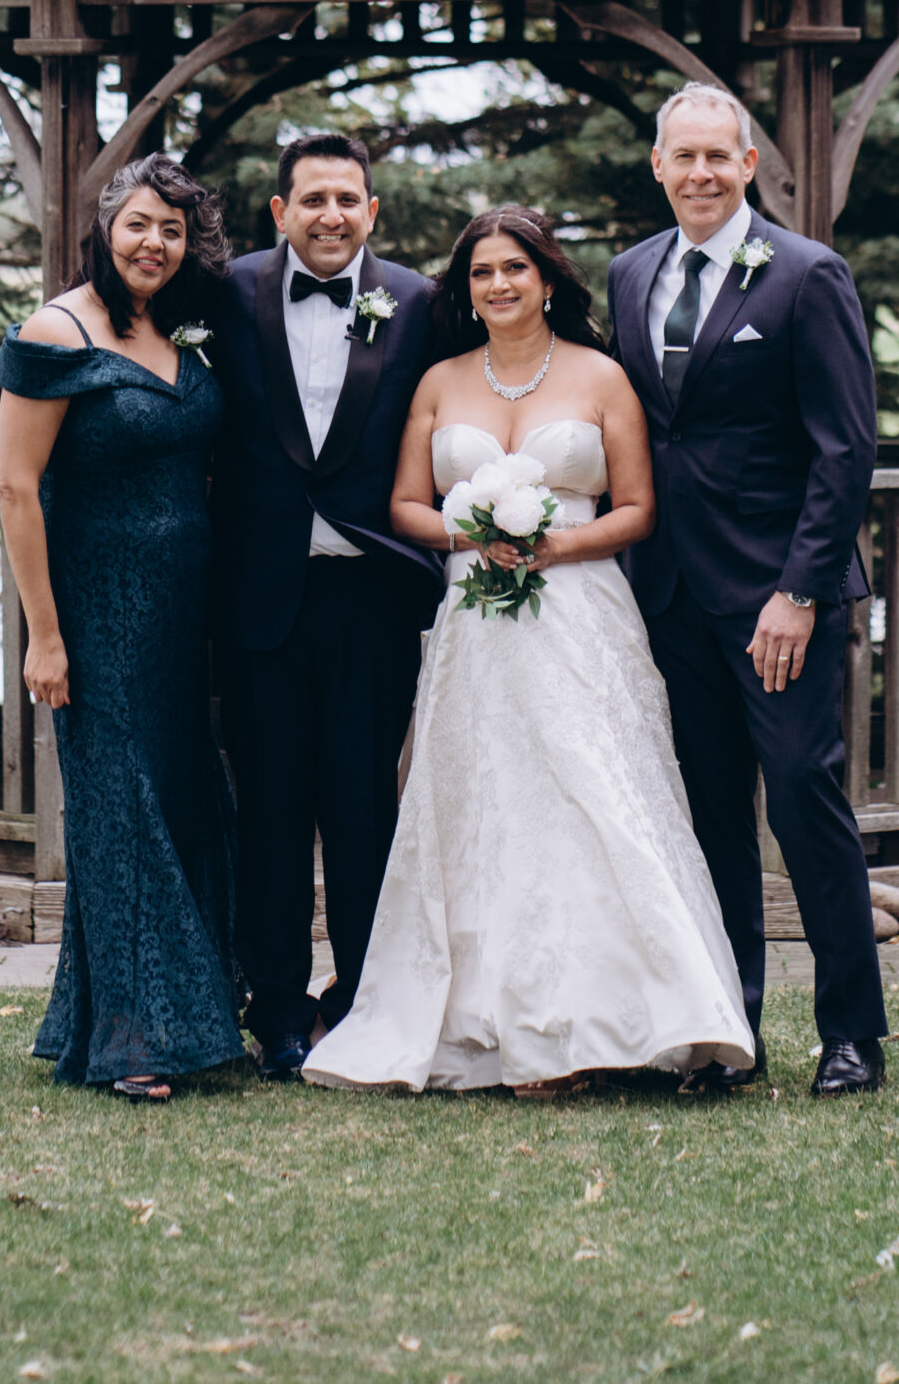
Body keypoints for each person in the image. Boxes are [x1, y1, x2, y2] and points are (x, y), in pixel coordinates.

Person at [304, 206, 754, 1096]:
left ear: (548, 279)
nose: (499, 284)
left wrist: (555, 545)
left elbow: (637, 510)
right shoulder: (439, 383)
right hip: (475, 624)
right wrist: (471, 531)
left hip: (581, 616)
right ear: (466, 291)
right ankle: (491, 1020)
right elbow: (404, 506)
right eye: (482, 273)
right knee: (486, 805)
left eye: (515, 267)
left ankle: (607, 1020)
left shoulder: (601, 376)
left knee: (595, 798)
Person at [609, 82, 888, 1099]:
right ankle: (731, 1031)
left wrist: (801, 591)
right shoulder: (630, 272)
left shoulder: (807, 275)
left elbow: (844, 448)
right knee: (711, 815)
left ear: (747, 164)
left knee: (805, 802)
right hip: (672, 596)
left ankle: (852, 1033)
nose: (701, 173)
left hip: (779, 600)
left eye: (717, 156)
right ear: (658, 165)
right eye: (683, 156)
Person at [0, 153, 241, 1103]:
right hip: (97, 612)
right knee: (118, 811)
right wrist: (44, 635)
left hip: (183, 615)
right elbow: (17, 488)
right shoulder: (55, 330)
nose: (154, 243)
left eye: (172, 230)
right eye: (139, 223)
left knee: (175, 799)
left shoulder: (175, 329)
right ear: (104, 226)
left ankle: (142, 1018)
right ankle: (135, 1040)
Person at [209, 133, 438, 1080]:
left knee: (362, 808)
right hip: (256, 598)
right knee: (268, 808)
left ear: (371, 211)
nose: (331, 216)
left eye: (348, 200)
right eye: (313, 200)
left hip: (370, 597)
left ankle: (361, 1001)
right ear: (281, 212)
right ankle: (276, 1011)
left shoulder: (419, 302)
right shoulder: (226, 292)